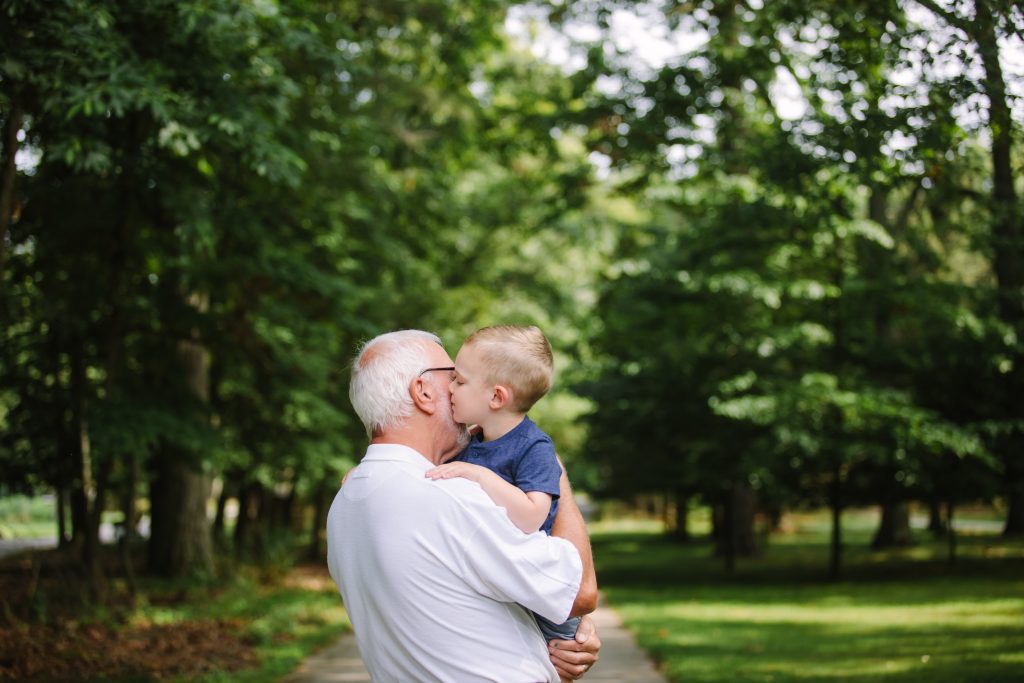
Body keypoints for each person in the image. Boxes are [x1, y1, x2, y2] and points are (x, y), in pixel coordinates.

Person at [327, 330, 600, 682]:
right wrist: (549, 467)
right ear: (422, 392)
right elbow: (578, 591)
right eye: (452, 376)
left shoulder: (346, 504)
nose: (457, 387)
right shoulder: (450, 496)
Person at [424, 325, 581, 644]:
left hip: (539, 596)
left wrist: (480, 476)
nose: (449, 388)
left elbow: (532, 515)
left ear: (496, 396)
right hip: (498, 587)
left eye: (459, 380)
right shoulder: (470, 441)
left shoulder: (533, 447)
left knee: (554, 663)